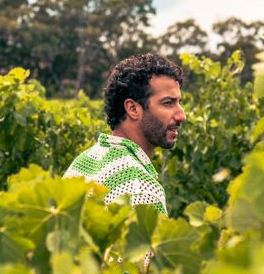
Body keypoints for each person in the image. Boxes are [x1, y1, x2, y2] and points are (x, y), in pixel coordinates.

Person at [63, 53, 186, 216]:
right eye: (168, 103)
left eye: (179, 102)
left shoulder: (85, 160)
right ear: (133, 109)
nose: (182, 115)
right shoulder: (141, 190)